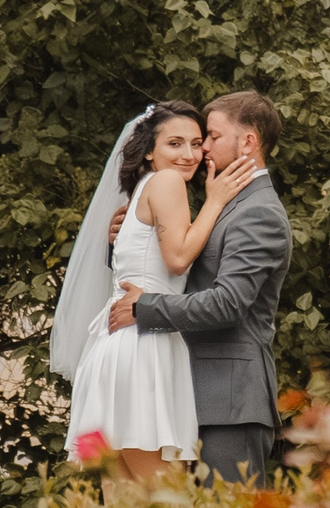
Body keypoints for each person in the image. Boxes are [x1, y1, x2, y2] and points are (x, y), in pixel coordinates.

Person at [50, 102, 259, 476]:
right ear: (149, 150)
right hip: (144, 348)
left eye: (197, 143)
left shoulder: (142, 192)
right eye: (175, 144)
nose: (190, 154)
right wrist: (214, 201)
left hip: (118, 346)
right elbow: (178, 259)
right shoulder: (166, 183)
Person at [101, 91, 292, 483]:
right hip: (188, 390)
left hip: (230, 400)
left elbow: (228, 304)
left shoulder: (259, 213)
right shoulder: (222, 203)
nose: (202, 147)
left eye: (213, 136)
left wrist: (146, 308)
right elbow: (174, 268)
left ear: (249, 142)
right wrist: (123, 242)